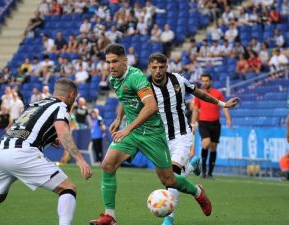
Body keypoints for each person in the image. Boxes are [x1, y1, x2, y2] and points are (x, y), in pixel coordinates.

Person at [89, 44, 212, 225]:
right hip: (133, 132)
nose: (111, 66)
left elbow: (151, 106)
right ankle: (110, 216)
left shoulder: (136, 77)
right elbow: (126, 98)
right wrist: (118, 118)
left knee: (168, 180)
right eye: (108, 62)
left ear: (125, 61)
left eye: (115, 61)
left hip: (153, 134)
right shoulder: (114, 79)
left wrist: (127, 128)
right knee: (108, 164)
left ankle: (197, 192)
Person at [148, 53, 240, 225]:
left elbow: (199, 93)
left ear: (167, 66)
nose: (158, 71)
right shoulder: (144, 86)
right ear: (149, 68)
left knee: (173, 175)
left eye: (161, 67)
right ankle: (192, 170)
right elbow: (129, 102)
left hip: (182, 135)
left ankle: (169, 218)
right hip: (160, 139)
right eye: (154, 67)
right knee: (168, 178)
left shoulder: (178, 80)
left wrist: (222, 104)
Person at [0, 78, 92, 225]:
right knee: (68, 188)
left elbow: (27, 126)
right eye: (74, 98)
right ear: (71, 95)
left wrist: (50, 138)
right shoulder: (61, 106)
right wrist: (80, 159)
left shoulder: (34, 104)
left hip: (0, 151)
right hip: (22, 153)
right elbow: (63, 133)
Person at [192, 73, 234, 179]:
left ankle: (210, 173)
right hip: (203, 123)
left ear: (210, 81)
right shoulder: (199, 94)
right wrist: (193, 123)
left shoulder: (218, 93)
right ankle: (204, 171)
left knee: (213, 147)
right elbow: (196, 109)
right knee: (206, 144)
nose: (205, 83)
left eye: (206, 81)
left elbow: (224, 106)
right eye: (203, 81)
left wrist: (228, 118)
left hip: (215, 123)